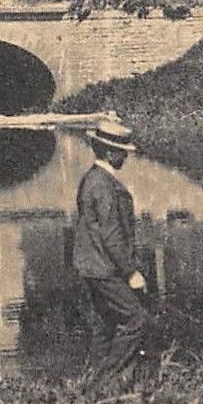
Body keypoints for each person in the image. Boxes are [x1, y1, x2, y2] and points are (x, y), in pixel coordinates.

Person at [73, 118, 149, 382]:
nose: (125, 158)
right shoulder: (103, 185)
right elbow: (112, 235)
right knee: (135, 319)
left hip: (91, 265)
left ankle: (91, 384)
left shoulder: (91, 179)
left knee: (104, 325)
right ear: (109, 152)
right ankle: (107, 377)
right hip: (105, 267)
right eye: (122, 153)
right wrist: (131, 273)